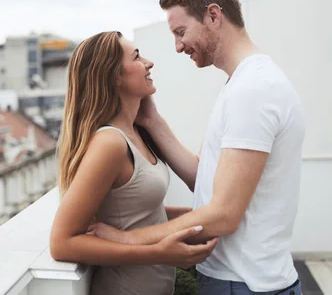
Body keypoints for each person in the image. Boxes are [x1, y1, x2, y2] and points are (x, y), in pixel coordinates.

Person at [91, 0, 306, 295]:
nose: (178, 47)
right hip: (240, 282)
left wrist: (127, 239)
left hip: (245, 285)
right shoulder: (243, 84)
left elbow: (222, 215)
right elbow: (205, 181)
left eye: (181, 31)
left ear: (214, 15)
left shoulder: (254, 90)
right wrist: (152, 122)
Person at [49, 31, 218, 295]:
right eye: (137, 57)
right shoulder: (110, 144)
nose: (149, 63)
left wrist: (206, 219)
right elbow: (62, 243)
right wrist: (157, 253)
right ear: (113, 75)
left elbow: (142, 215)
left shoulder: (136, 134)